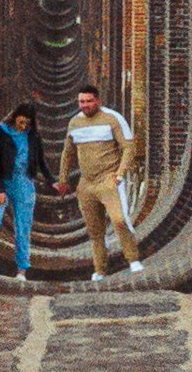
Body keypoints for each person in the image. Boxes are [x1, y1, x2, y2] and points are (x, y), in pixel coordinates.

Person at [59, 80, 143, 279]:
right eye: (81, 102)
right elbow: (67, 153)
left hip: (109, 179)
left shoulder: (112, 118)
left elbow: (129, 147)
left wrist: (121, 173)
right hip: (86, 183)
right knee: (95, 230)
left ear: (97, 100)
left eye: (89, 101)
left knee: (119, 220)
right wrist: (63, 179)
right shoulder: (74, 123)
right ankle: (100, 270)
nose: (85, 105)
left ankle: (133, 260)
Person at [0, 100, 48, 274]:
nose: (23, 126)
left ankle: (22, 270)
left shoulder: (34, 136)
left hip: (24, 183)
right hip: (3, 180)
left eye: (27, 123)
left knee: (23, 227)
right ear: (15, 118)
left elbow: (41, 162)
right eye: (21, 122)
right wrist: (0, 189)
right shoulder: (1, 132)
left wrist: (52, 180)